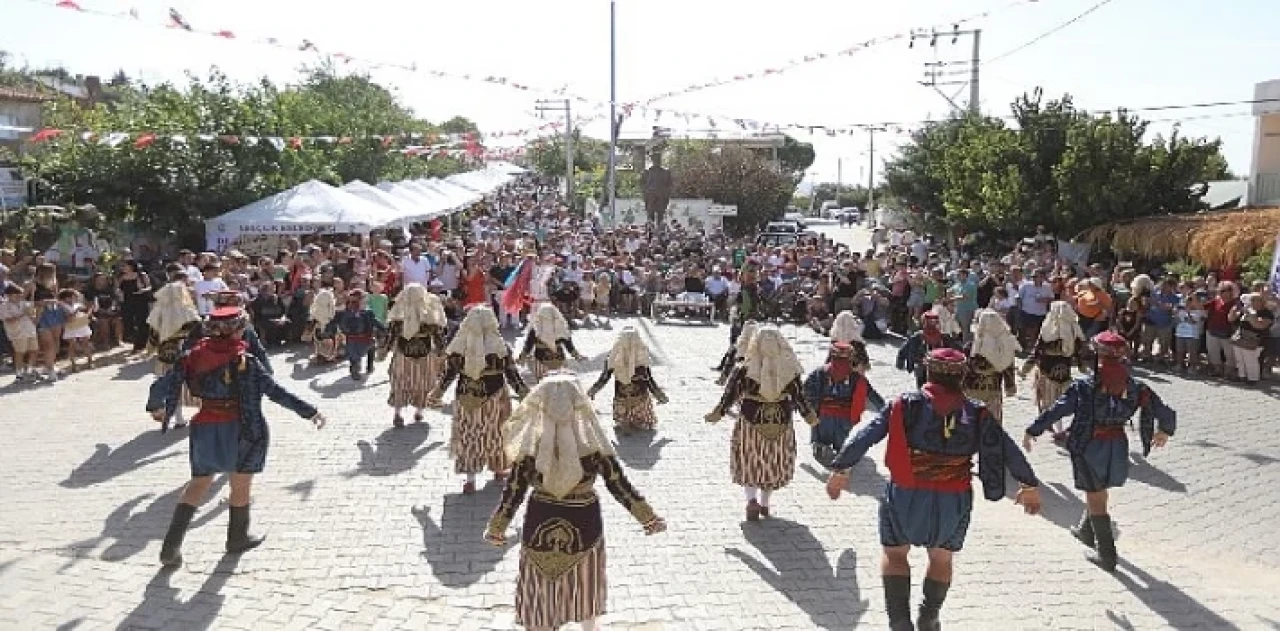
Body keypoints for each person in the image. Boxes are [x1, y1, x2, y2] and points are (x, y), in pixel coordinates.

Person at [826, 348, 1043, 631]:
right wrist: (1028, 485)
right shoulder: (977, 412)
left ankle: (900, 623)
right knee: (941, 557)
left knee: (894, 554)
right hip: (953, 497)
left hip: (906, 493)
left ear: (928, 371)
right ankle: (929, 618)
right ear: (963, 376)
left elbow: (866, 434)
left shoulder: (904, 404)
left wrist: (841, 470)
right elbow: (1006, 448)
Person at [147, 295, 327, 567]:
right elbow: (275, 391)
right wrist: (310, 411)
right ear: (239, 329)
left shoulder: (191, 356)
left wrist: (155, 406)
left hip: (205, 425)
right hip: (242, 428)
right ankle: (236, 538)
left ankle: (170, 548)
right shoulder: (247, 361)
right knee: (240, 484)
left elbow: (163, 382)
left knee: (198, 483)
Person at [485, 372, 666, 631]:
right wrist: (647, 517)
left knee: (541, 590)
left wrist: (497, 527)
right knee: (585, 586)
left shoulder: (531, 446)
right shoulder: (593, 443)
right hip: (584, 523)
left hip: (540, 522)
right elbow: (617, 482)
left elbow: (514, 490)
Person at [1023, 331, 1176, 572]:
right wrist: (1164, 430)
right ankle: (1086, 531)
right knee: (1098, 489)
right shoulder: (1136, 386)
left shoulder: (1085, 386)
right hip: (1117, 445)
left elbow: (1058, 410)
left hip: (1089, 445)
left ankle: (1107, 556)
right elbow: (1164, 411)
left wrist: (1034, 429)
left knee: (1096, 497)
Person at [705, 326, 818, 521]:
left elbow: (729, 394)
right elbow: (800, 396)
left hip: (750, 423)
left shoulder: (743, 368)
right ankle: (765, 504)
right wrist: (810, 416)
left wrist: (718, 412)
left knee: (751, 461)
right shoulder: (790, 368)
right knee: (772, 462)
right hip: (781, 423)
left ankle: (751, 501)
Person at [429, 306, 529, 495]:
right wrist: (527, 395)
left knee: (469, 435)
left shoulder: (459, 348)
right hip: (495, 397)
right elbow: (513, 375)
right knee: (496, 433)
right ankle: (499, 469)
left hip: (466, 397)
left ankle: (470, 480)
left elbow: (449, 375)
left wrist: (437, 394)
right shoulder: (502, 347)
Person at [805, 341, 886, 468]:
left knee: (821, 440)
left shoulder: (820, 372)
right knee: (839, 444)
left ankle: (821, 448)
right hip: (845, 418)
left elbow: (806, 388)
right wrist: (886, 410)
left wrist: (806, 406)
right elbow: (872, 394)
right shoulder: (857, 378)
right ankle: (839, 459)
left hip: (823, 417)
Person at [383, 283, 448, 427]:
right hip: (424, 355)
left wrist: (384, 350)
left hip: (403, 354)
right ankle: (419, 411)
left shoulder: (399, 315)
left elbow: (391, 335)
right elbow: (438, 335)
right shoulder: (429, 315)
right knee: (423, 383)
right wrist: (442, 351)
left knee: (399, 383)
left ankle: (398, 413)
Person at [1020, 301, 1087, 441]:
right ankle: (1057, 427)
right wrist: (1081, 366)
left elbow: (1037, 352)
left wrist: (1025, 368)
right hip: (1064, 372)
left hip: (1047, 372)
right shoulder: (1074, 329)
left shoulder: (1048, 329)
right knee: (1062, 401)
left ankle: (1056, 428)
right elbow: (1080, 352)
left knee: (1050, 401)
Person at [587, 326, 669, 434]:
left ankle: (624, 421)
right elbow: (649, 381)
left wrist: (593, 390)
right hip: (640, 401)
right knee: (642, 420)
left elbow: (604, 377)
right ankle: (638, 421)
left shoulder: (613, 357)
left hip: (621, 398)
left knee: (622, 408)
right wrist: (659, 395)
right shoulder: (641, 357)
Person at [148, 281, 203, 428]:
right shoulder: (189, 311)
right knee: (190, 384)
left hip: (166, 355)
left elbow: (153, 335)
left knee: (172, 386)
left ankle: (178, 418)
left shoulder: (158, 312)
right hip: (187, 355)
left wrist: (151, 349)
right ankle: (201, 413)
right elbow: (199, 334)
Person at [963, 309, 1020, 423]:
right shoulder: (1004, 347)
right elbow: (1008, 367)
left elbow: (964, 368)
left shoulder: (972, 345)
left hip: (972, 390)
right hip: (992, 390)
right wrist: (1010, 386)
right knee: (992, 422)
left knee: (973, 422)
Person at [324, 288, 387, 381]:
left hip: (350, 339)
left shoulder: (343, 312)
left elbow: (332, 322)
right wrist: (384, 329)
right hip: (366, 339)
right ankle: (369, 366)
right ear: (361, 300)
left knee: (353, 356)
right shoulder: (367, 312)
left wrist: (327, 332)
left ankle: (355, 367)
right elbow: (376, 323)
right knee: (372, 346)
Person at [518, 303, 586, 383]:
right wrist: (577, 356)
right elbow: (569, 345)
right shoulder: (561, 327)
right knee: (560, 384)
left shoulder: (536, 328)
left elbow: (528, 346)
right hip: (559, 362)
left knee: (544, 386)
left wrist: (522, 357)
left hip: (541, 363)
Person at [896, 311, 959, 388]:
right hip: (923, 368)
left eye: (934, 321)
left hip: (938, 369)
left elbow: (955, 350)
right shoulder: (918, 336)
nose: (932, 324)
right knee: (923, 388)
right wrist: (900, 362)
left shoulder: (943, 337)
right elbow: (904, 349)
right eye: (929, 321)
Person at [716, 320, 759, 386]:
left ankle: (722, 379)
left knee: (731, 359)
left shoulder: (740, 341)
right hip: (755, 375)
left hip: (742, 369)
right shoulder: (759, 343)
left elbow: (730, 362)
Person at [308, 286, 341, 363]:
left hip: (323, 331)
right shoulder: (331, 310)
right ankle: (326, 354)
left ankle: (324, 354)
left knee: (321, 338)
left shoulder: (315, 310)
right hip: (327, 331)